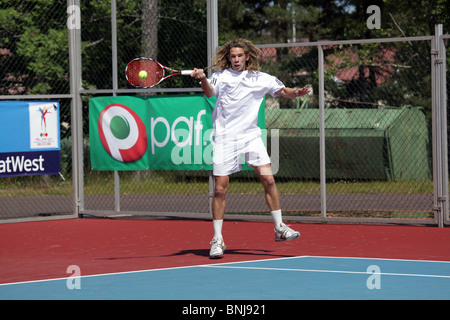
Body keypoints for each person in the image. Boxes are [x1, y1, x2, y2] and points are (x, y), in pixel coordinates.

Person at [190, 38, 309, 258]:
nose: (236, 60)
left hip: (251, 138)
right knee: (220, 189)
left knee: (269, 179)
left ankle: (280, 228)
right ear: (229, 58)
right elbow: (209, 92)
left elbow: (283, 91)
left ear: (247, 57)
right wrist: (203, 78)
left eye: (239, 56)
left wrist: (296, 93)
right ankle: (217, 240)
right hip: (225, 139)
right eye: (232, 56)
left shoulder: (260, 78)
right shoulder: (220, 77)